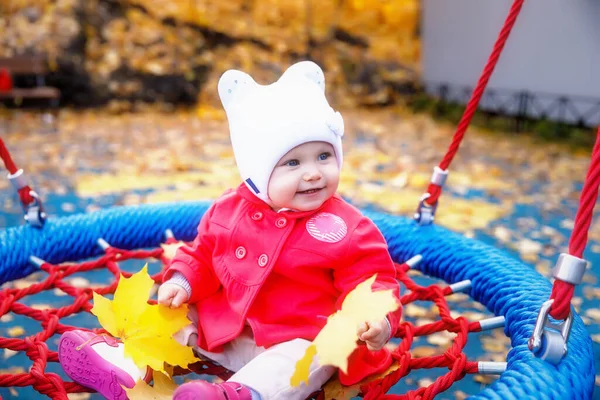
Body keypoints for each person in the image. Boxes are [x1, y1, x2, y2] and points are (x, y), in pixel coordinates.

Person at [58, 61, 402, 400]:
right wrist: (183, 280)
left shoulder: (348, 228)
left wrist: (376, 319)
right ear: (256, 172)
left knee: (305, 360)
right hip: (221, 327)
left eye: (324, 156)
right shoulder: (230, 209)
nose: (313, 173)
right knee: (174, 314)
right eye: (293, 163)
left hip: (296, 339)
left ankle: (238, 394)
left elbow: (373, 283)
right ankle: (128, 365)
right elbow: (204, 252)